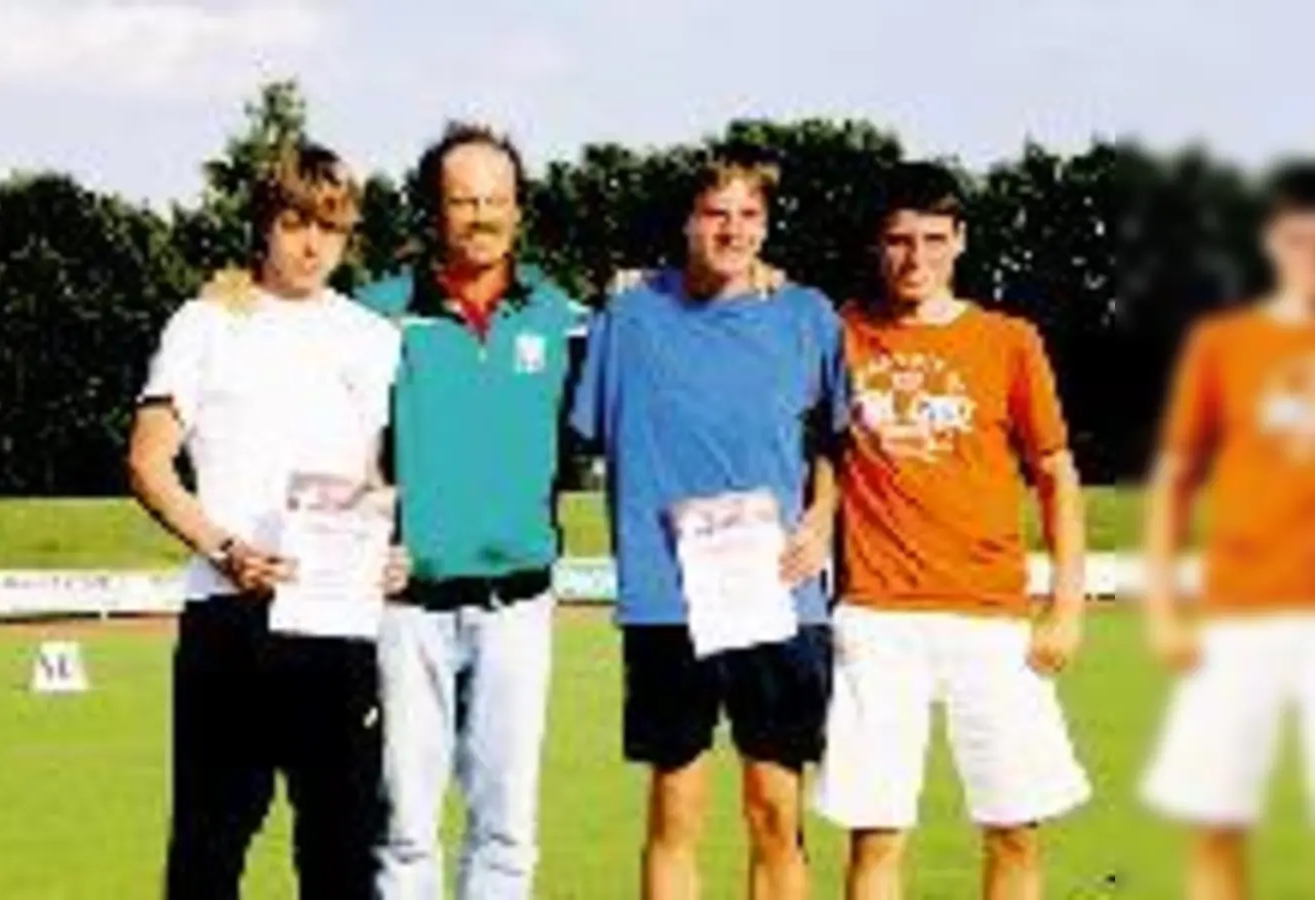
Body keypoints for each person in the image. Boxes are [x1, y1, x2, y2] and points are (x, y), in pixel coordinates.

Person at [127, 142, 408, 900]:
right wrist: (224, 549)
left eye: (331, 227)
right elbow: (149, 464)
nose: (313, 245)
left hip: (340, 623)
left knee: (343, 859)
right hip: (231, 620)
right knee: (208, 854)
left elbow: (383, 479)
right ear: (264, 224)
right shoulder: (204, 323)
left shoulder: (375, 339)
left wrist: (395, 551)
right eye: (295, 223)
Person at [569, 143, 844, 900]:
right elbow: (589, 430)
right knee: (674, 812)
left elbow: (835, 441)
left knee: (775, 814)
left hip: (778, 595)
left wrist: (822, 517)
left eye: (749, 214)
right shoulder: (628, 319)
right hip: (669, 599)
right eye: (716, 213)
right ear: (687, 222)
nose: (733, 229)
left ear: (768, 223)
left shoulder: (808, 316)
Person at [812, 161, 1091, 900]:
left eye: (934, 239)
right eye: (899, 240)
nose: (917, 258)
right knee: (877, 838)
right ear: (877, 245)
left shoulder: (1009, 340)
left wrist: (1065, 606)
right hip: (877, 617)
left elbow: (1056, 472)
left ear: (960, 240)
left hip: (992, 618)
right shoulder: (839, 334)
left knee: (1014, 831)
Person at [358, 123, 581, 900]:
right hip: (405, 607)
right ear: (433, 211)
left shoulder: (560, 315)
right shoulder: (373, 315)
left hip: (518, 603)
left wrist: (758, 276)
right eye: (463, 201)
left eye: (496, 200)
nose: (482, 216)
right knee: (402, 832)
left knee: (507, 831)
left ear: (519, 209)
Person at [1140, 160, 1315, 900]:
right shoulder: (1225, 343)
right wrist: (1163, 607)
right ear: (1274, 241)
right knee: (1214, 822)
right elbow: (1176, 479)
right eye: (1300, 239)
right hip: (1237, 614)